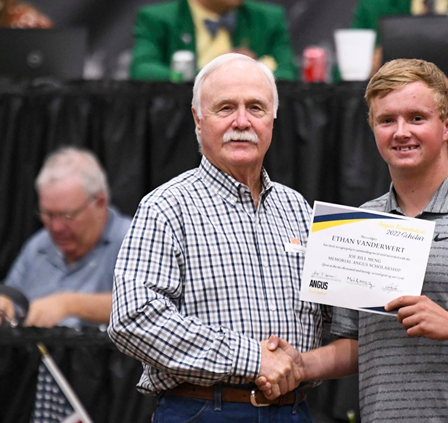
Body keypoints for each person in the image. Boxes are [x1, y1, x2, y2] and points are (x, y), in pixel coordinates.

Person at [258, 58, 448, 422]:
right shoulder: (360, 222)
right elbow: (359, 344)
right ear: (372, 127)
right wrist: (299, 365)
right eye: (387, 120)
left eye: (417, 118)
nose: (401, 132)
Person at [108, 52, 330, 422]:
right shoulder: (166, 207)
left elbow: (334, 312)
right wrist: (252, 358)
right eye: (225, 108)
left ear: (273, 118)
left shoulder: (298, 209)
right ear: (198, 119)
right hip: (204, 410)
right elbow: (133, 318)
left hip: (293, 410)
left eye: (256, 108)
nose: (241, 121)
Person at [0, 147, 131, 329]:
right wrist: (5, 303)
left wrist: (70, 305)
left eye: (68, 215)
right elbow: (13, 293)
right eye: (48, 214)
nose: (56, 227)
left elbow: (147, 306)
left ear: (100, 203)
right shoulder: (39, 245)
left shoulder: (132, 241)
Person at [129, 0, 298, 81]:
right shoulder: (157, 18)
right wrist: (208, 76)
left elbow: (287, 73)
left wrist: (253, 71)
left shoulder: (268, 18)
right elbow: (142, 69)